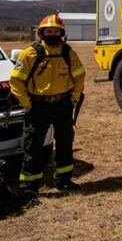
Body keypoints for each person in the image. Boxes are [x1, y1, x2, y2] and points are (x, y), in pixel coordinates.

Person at [10, 14, 86, 193]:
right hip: (37, 107)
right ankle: (29, 187)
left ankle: (64, 181)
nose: (53, 34)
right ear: (41, 33)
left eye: (56, 31)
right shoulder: (30, 53)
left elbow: (79, 77)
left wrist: (73, 98)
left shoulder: (68, 53)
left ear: (61, 33)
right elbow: (16, 81)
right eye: (49, 31)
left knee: (65, 146)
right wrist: (26, 104)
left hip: (62, 106)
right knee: (33, 147)